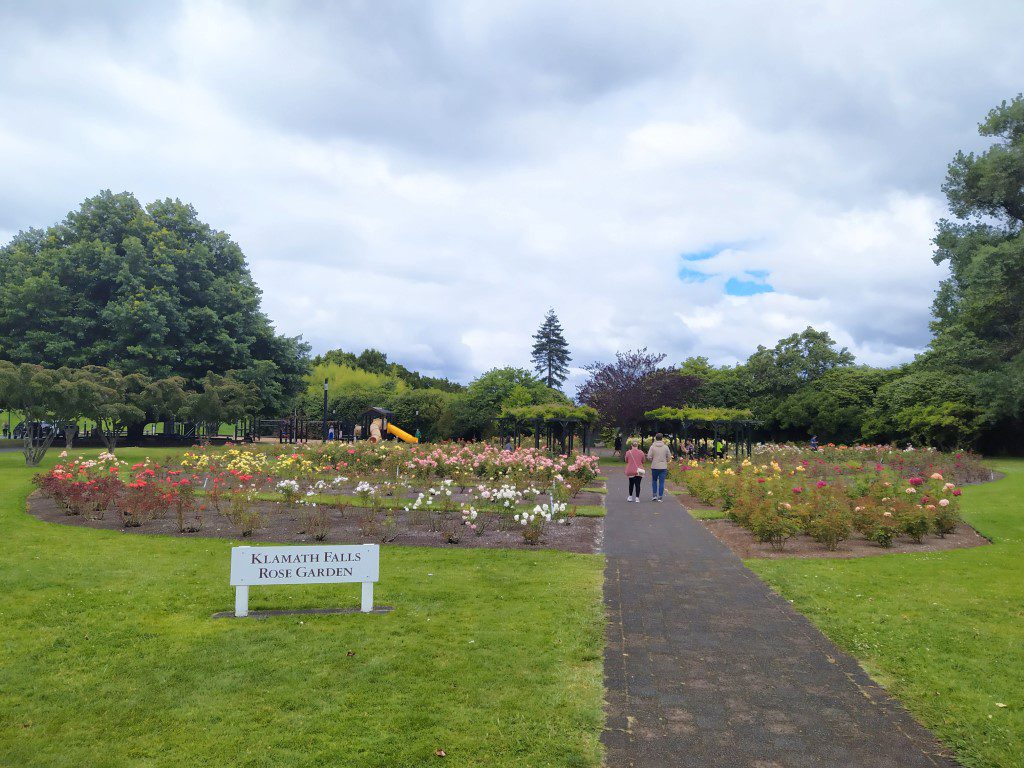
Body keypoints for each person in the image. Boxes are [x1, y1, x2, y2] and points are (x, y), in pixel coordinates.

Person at [647, 432, 672, 502]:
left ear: (655, 438)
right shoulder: (665, 447)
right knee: (662, 482)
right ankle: (660, 497)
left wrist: (653, 460)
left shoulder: (652, 447)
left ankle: (654, 495)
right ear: (662, 438)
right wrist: (665, 460)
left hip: (654, 466)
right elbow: (669, 457)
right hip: (663, 466)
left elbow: (649, 457)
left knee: (654, 481)